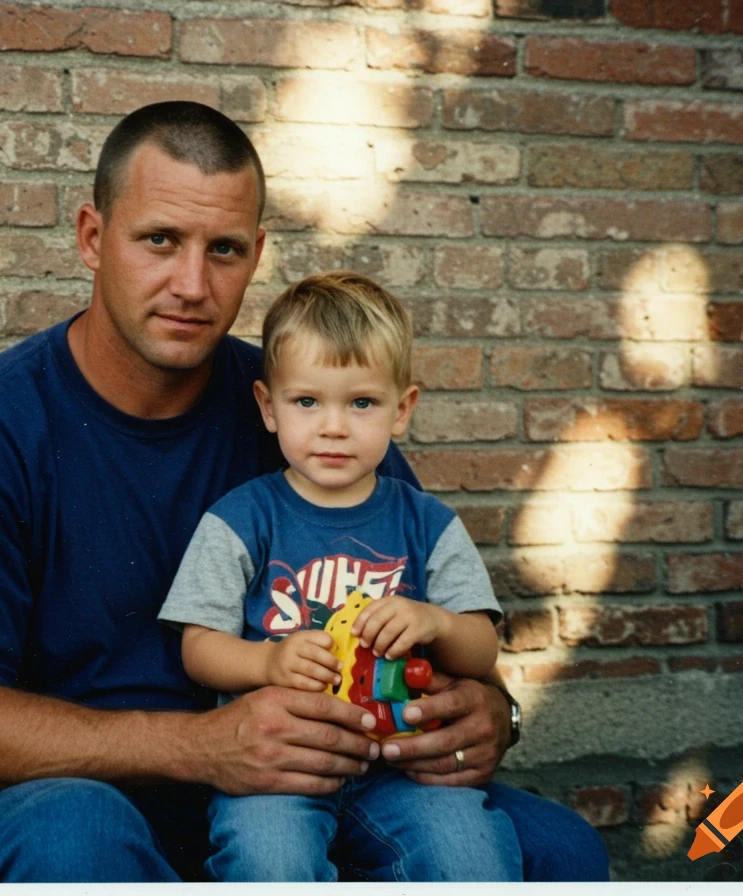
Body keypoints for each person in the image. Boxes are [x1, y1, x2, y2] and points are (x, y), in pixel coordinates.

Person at [0, 100, 609, 882]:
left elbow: (443, 634)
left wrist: (491, 715)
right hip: (81, 788)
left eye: (222, 249)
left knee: (559, 850)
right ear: (93, 237)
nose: (191, 283)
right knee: (76, 837)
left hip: (316, 784)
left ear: (256, 256)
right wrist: (205, 749)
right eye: (159, 240)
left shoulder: (307, 409)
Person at [158, 271, 519, 880]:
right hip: (280, 770)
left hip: (404, 768)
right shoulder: (241, 519)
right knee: (270, 859)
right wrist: (267, 664)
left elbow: (482, 648)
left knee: (468, 850)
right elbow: (199, 646)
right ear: (267, 408)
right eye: (307, 402)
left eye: (361, 402)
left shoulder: (427, 522)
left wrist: (435, 621)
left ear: (401, 409)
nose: (333, 426)